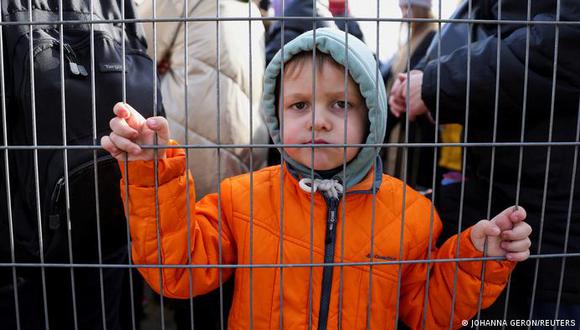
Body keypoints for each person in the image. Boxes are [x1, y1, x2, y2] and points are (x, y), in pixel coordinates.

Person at [101, 28, 532, 328]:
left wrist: (478, 260)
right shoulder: (241, 199)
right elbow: (176, 270)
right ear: (275, 114)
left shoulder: (411, 214)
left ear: (372, 120)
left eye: (340, 105)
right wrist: (152, 172)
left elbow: (430, 312)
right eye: (299, 106)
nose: (317, 122)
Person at [389, 0, 580, 323]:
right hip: (499, 206)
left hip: (556, 229)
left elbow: (563, 44)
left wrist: (438, 84)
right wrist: (431, 83)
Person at [382, 0, 437, 191]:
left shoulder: (432, 37)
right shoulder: (410, 39)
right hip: (400, 121)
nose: (404, 13)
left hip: (417, 129)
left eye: (408, 7)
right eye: (402, 8)